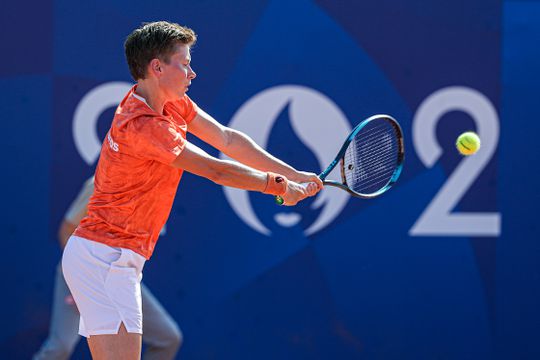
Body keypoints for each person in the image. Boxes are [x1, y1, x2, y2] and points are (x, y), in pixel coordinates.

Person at [62, 21, 323, 359]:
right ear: (157, 67)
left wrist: (291, 172)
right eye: (184, 63)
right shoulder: (144, 126)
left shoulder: (165, 102)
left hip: (105, 257)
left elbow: (226, 139)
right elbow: (215, 169)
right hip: (105, 259)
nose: (192, 72)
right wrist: (279, 187)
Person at [34, 177, 182, 360]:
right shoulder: (103, 182)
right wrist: (79, 283)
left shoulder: (154, 188)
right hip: (83, 271)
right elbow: (67, 230)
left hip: (120, 275)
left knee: (168, 338)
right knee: (60, 348)